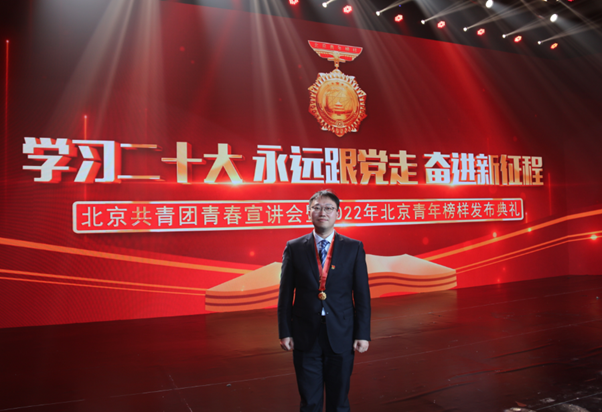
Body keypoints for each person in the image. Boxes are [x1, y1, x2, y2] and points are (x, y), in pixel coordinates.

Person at [278, 190, 371, 412]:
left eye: (329, 208)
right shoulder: (294, 247)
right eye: (317, 208)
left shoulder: (354, 247)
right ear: (308, 212)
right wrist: (285, 331)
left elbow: (362, 294)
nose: (323, 212)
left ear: (338, 213)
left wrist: (362, 334)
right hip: (305, 334)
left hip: (342, 333)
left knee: (339, 401)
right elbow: (285, 294)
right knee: (309, 401)